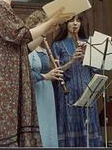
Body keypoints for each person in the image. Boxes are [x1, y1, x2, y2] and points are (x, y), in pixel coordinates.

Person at [0, 0, 72, 147]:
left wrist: (47, 29)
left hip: (12, 77)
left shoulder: (6, 9)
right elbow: (21, 35)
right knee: (5, 127)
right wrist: (51, 22)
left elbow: (24, 47)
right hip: (4, 79)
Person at [51, 15, 103, 147]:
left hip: (87, 90)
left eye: (78, 20)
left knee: (88, 125)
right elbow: (56, 72)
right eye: (71, 21)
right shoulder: (57, 45)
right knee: (70, 127)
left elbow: (96, 70)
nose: (75, 24)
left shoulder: (88, 43)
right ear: (65, 24)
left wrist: (88, 56)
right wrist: (72, 60)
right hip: (68, 93)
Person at [25, 10, 64, 147]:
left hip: (46, 91)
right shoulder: (27, 48)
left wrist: (54, 71)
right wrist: (45, 76)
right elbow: (25, 72)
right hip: (34, 92)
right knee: (39, 124)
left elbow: (49, 72)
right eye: (43, 25)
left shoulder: (43, 48)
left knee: (49, 126)